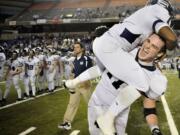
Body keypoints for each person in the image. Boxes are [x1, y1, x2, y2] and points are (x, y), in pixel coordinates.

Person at [64, 34, 167, 135]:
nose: (147, 46)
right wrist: (75, 81)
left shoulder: (155, 78)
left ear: (159, 54)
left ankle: (108, 118)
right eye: (148, 41)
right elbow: (100, 69)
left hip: (120, 111)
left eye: (154, 46)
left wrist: (155, 129)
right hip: (98, 102)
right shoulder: (126, 49)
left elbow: (149, 107)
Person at [58, 42, 93, 130]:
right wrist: (70, 82)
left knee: (91, 104)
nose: (75, 49)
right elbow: (74, 72)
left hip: (85, 84)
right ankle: (67, 122)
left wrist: (85, 82)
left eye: (77, 47)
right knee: (71, 104)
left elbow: (90, 71)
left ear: (82, 49)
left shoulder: (86, 58)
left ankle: (99, 120)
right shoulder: (75, 60)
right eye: (74, 47)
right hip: (76, 84)